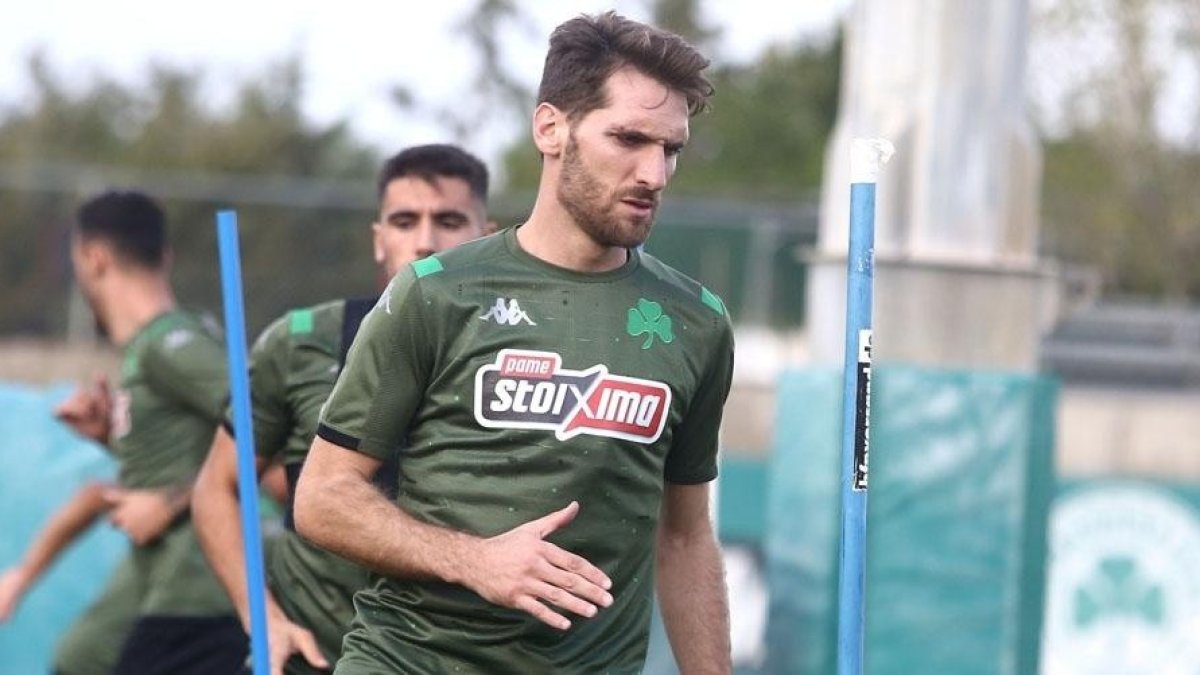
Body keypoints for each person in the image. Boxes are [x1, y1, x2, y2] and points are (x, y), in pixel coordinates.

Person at [294, 11, 733, 674]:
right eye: (629, 138)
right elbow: (323, 496)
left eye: (670, 148)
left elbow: (685, 535)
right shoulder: (437, 292)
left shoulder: (696, 323)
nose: (655, 173)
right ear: (550, 128)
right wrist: (473, 558)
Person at [191, 144, 493, 675]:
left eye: (448, 220)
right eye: (404, 221)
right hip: (315, 657)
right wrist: (262, 619)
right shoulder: (300, 341)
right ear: (379, 240)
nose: (425, 241)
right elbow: (217, 486)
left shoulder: (521, 359)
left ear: (486, 235)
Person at [26, 191, 247, 674]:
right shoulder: (145, 350)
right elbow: (192, 450)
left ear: (93, 258)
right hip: (158, 577)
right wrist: (110, 435)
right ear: (164, 256)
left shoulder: (172, 345)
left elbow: (263, 427)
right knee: (78, 660)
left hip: (199, 588)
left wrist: (166, 502)